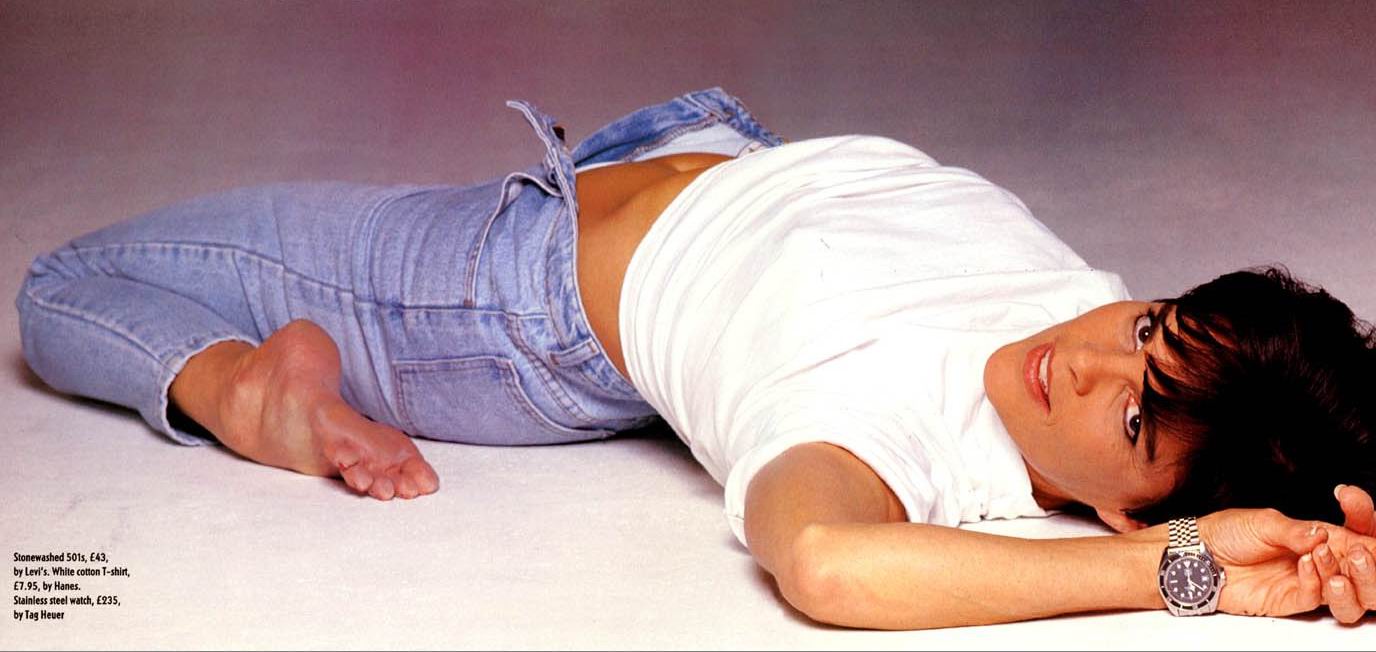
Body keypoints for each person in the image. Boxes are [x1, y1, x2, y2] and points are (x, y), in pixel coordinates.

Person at [16, 88, 1376, 629]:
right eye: (1147, 331)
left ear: (1136, 509)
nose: (1083, 364)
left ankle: (245, 392)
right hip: (670, 156)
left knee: (62, 284)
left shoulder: (892, 446)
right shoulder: (1086, 325)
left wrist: (1181, 570)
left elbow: (829, 565)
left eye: (1133, 422)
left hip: (496, 290)